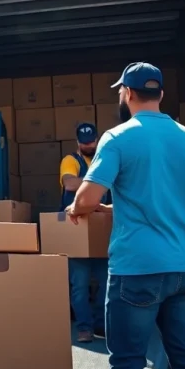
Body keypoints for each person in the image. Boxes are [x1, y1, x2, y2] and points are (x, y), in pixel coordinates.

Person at [65, 62, 185, 369]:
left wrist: (79, 206)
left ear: (126, 93)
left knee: (128, 363)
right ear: (162, 95)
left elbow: (85, 199)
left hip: (138, 269)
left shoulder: (118, 137)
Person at [59, 122, 110, 343]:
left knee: (107, 282)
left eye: (91, 141)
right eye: (84, 142)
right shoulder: (71, 160)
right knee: (79, 285)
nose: (88, 145)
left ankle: (101, 324)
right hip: (76, 230)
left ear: (97, 140)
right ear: (77, 142)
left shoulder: (105, 158)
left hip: (101, 230)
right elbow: (69, 184)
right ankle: (84, 327)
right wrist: (99, 184)